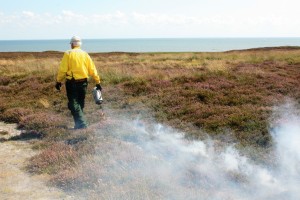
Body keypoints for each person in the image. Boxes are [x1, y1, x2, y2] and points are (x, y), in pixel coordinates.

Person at [55, 36, 102, 129]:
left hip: (72, 83)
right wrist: (97, 82)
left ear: (72, 44)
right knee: (80, 103)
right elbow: (92, 69)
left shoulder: (68, 54)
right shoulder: (85, 54)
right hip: (84, 83)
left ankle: (83, 125)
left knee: (74, 103)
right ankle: (78, 125)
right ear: (79, 44)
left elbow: (63, 70)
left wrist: (58, 81)